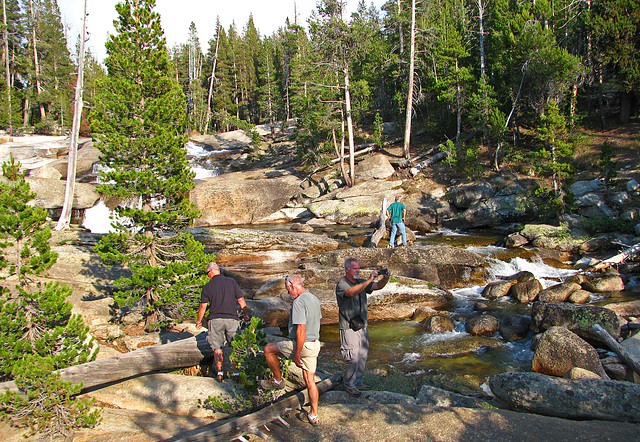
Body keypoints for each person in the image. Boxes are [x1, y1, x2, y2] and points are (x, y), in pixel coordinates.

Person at [260, 274, 322, 426]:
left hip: (303, 345)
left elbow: (301, 329)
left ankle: (277, 380)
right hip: (315, 344)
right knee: (310, 381)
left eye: (288, 291)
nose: (289, 294)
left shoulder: (299, 301)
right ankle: (313, 415)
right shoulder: (314, 298)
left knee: (268, 349)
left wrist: (297, 353)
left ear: (293, 286)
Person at [336, 258, 389, 396]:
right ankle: (350, 384)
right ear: (347, 269)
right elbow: (351, 292)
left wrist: (385, 279)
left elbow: (377, 286)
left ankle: (358, 382)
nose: (358, 271)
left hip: (362, 324)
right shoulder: (342, 284)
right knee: (352, 356)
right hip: (348, 326)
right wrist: (369, 279)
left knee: (362, 355)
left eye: (359, 268)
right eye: (355, 268)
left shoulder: (361, 282)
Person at [196, 262, 250, 382]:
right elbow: (240, 299)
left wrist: (199, 321)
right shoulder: (231, 282)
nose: (207, 276)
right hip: (232, 318)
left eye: (207, 274)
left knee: (217, 347)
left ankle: (220, 373)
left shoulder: (207, 286)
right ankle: (236, 372)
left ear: (211, 272)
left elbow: (203, 306)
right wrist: (245, 314)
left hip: (215, 320)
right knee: (235, 346)